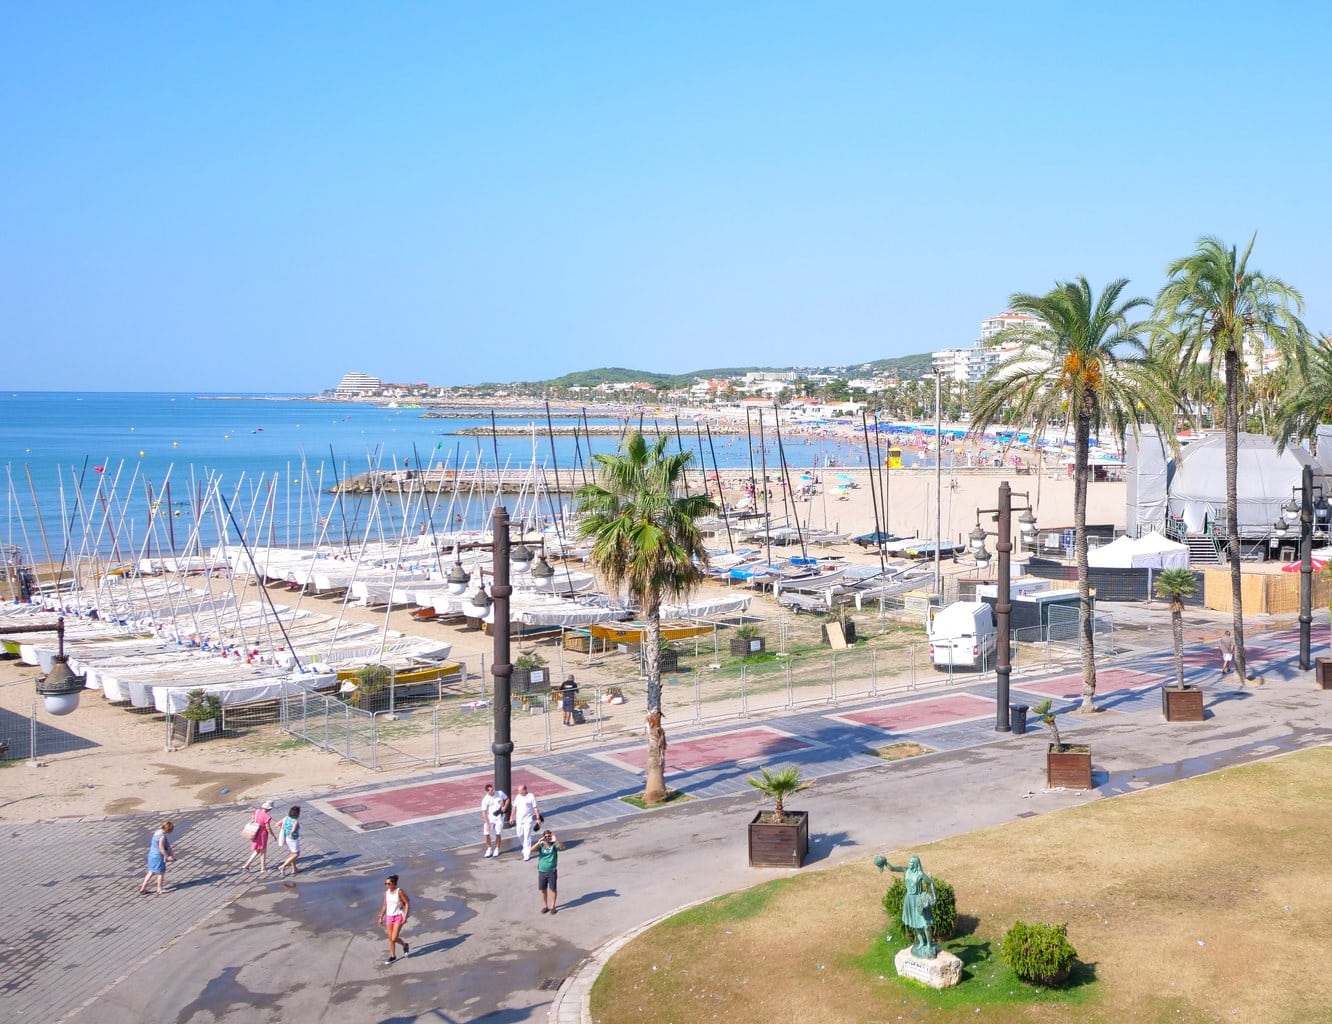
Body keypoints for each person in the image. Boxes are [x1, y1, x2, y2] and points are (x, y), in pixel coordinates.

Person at [874, 854, 938, 958]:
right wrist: (885, 862)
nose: (909, 864)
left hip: (918, 901)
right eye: (909, 862)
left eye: (912, 863)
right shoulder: (906, 870)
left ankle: (929, 945)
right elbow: (893, 869)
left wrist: (934, 898)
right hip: (909, 900)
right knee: (915, 924)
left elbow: (930, 883)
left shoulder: (920, 874)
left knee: (925, 924)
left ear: (916, 864)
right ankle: (922, 943)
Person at [376, 874, 410, 965]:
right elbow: (384, 905)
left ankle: (404, 945)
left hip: (398, 916)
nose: (386, 885)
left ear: (394, 884)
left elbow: (406, 903)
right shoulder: (386, 893)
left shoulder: (399, 891)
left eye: (388, 883)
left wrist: (405, 916)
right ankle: (392, 956)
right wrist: (380, 917)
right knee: (390, 938)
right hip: (389, 917)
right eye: (385, 883)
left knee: (394, 937)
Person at [534, 828, 565, 914]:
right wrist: (538, 842)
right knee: (543, 890)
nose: (547, 838)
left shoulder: (554, 845)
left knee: (553, 889)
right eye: (545, 836)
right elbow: (531, 850)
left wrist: (556, 840)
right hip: (542, 871)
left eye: (549, 836)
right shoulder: (541, 845)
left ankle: (553, 906)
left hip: (551, 871)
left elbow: (562, 847)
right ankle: (545, 906)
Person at [139, 820, 175, 895]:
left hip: (151, 855)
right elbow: (161, 848)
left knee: (151, 872)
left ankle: (143, 887)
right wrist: (168, 857)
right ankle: (159, 889)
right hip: (158, 857)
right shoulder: (162, 837)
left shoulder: (157, 832)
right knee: (161, 873)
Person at [510, 783, 543, 861]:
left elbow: (535, 808)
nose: (519, 792)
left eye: (520, 791)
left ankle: (527, 854)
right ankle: (525, 847)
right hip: (519, 820)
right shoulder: (518, 797)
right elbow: (514, 807)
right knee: (519, 834)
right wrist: (511, 817)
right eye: (518, 791)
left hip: (528, 820)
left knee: (527, 836)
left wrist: (538, 818)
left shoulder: (531, 796)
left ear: (525, 790)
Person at [242, 800, 276, 872]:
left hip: (255, 833)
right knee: (263, 851)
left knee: (257, 850)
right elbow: (268, 828)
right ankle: (263, 868)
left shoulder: (257, 811)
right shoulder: (267, 816)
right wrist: (273, 835)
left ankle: (247, 865)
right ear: (269, 809)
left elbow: (252, 819)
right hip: (262, 835)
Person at [481, 783, 509, 858]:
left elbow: (507, 799)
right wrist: (487, 823)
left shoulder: (499, 793)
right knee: (486, 833)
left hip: (499, 817)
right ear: (487, 791)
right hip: (490, 818)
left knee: (498, 833)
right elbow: (484, 812)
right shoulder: (485, 799)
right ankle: (489, 848)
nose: (493, 791)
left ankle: (497, 848)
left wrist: (505, 807)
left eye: (493, 789)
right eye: (490, 790)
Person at [277, 806, 302, 876]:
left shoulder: (286, 818)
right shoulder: (295, 821)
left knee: (292, 854)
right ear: (297, 814)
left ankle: (294, 869)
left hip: (286, 838)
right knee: (296, 854)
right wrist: (291, 834)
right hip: (293, 839)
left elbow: (277, 824)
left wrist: (283, 830)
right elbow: (293, 830)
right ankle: (283, 866)